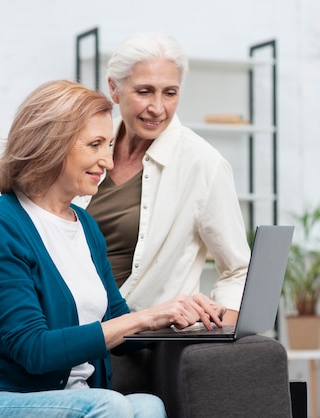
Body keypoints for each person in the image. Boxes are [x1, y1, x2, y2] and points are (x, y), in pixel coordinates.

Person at [0, 80, 226, 418]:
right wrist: (144, 317)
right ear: (50, 144)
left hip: (73, 401)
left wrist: (174, 315)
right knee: (110, 405)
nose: (107, 161)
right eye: (94, 145)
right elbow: (34, 350)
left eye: (109, 145)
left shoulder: (86, 226)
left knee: (149, 406)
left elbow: (118, 320)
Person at [80, 32, 251, 326]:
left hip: (144, 342)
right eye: (144, 91)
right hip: (74, 329)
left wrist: (220, 331)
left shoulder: (204, 165)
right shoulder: (89, 144)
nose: (158, 108)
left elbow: (239, 269)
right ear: (114, 88)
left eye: (169, 93)